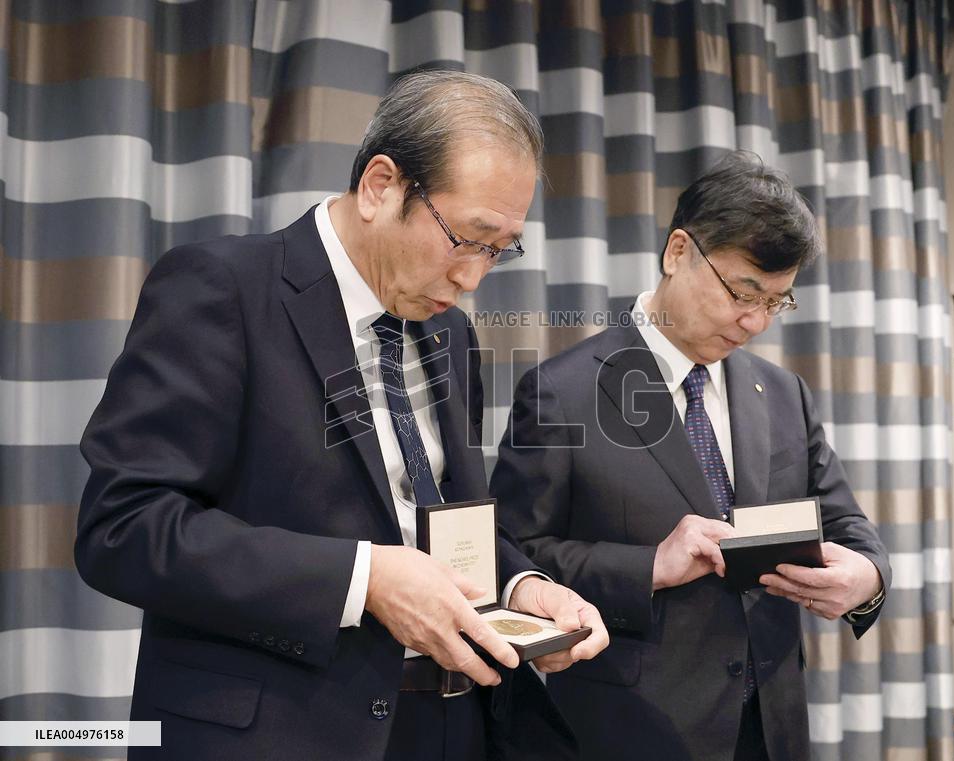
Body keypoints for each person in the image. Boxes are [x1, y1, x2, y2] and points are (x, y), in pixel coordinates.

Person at [75, 70, 608, 761]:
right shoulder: (222, 291)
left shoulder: (448, 334)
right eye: (466, 238)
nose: (474, 278)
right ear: (380, 186)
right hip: (277, 731)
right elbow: (123, 526)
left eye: (500, 249)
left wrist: (522, 587)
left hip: (454, 725)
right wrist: (364, 580)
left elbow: (442, 516)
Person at [489, 152, 891, 761]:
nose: (755, 322)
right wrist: (648, 565)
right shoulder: (563, 391)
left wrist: (866, 579)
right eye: (742, 292)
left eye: (777, 302)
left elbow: (848, 527)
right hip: (632, 729)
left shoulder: (783, 393)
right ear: (678, 251)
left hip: (773, 726)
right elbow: (512, 557)